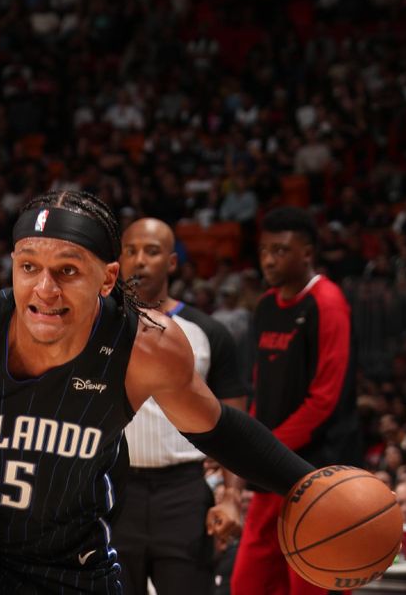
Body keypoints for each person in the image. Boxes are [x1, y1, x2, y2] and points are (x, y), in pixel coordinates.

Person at [0, 190, 317, 595]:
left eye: (67, 271)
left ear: (108, 277)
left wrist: (309, 485)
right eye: (28, 266)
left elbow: (220, 429)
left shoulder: (145, 345)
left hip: (69, 560)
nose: (44, 289)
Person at [231, 207, 361, 595]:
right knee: (247, 584)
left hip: (320, 470)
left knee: (310, 587)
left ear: (306, 253)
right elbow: (260, 389)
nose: (269, 259)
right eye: (265, 249)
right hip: (272, 468)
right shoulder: (267, 306)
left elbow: (324, 401)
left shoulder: (328, 302)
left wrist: (262, 448)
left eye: (281, 250)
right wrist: (247, 447)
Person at [112, 217, 246, 595]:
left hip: (185, 492)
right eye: (131, 251)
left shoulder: (208, 331)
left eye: (152, 252)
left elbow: (235, 425)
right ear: (118, 260)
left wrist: (232, 498)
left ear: (171, 262)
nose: (140, 261)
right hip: (116, 489)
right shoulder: (99, 327)